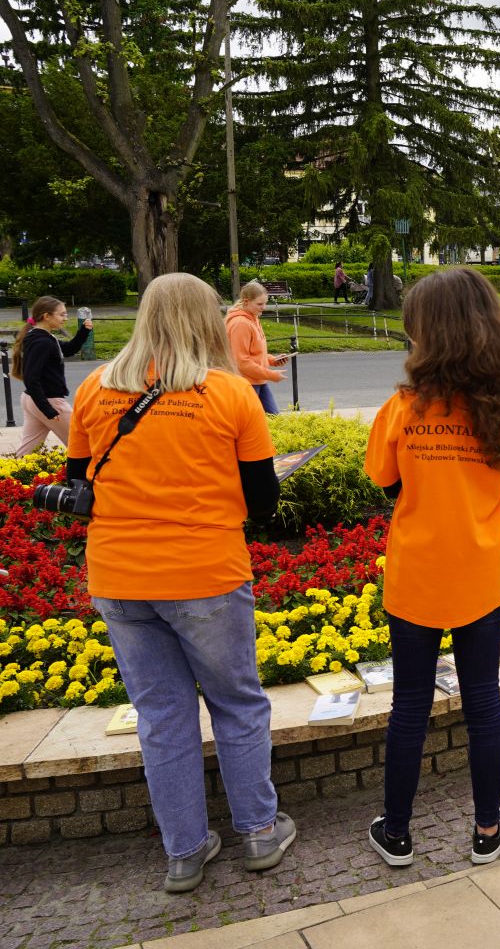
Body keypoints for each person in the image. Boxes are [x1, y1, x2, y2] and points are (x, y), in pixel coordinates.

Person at [67, 273, 291, 893]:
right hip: (206, 575)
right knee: (238, 703)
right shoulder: (230, 393)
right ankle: (258, 831)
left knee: (161, 715)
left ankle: (185, 852)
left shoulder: (95, 387)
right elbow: (264, 500)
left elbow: (77, 480)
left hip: (118, 575)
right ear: (205, 319)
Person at [364, 268, 500, 869]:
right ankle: (488, 829)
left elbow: (383, 479)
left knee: (410, 702)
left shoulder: (402, 408)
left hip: (416, 573)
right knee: (483, 696)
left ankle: (398, 833)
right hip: (481, 572)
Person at [12, 296, 93, 454]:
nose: (65, 318)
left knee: (27, 452)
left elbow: (68, 349)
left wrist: (84, 331)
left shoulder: (45, 337)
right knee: (83, 445)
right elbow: (31, 377)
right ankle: (85, 478)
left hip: (33, 400)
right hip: (49, 401)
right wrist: (47, 409)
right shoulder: (43, 342)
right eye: (61, 314)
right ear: (46, 316)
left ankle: (10, 479)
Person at [224, 282, 289, 416]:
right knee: (263, 421)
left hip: (257, 380)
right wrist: (271, 375)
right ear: (246, 302)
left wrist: (272, 359)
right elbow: (241, 362)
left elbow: (253, 353)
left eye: (265, 303)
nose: (263, 308)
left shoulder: (253, 317)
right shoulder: (241, 323)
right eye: (260, 304)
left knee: (273, 419)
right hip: (245, 383)